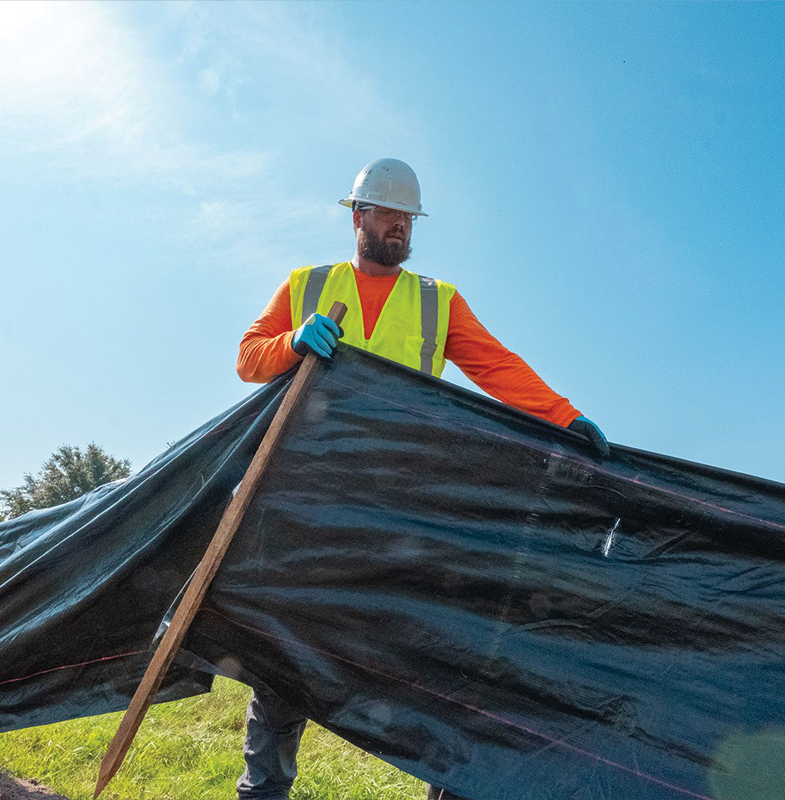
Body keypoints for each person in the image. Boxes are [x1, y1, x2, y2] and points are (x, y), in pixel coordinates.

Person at [235, 158, 609, 800]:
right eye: (388, 215)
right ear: (358, 216)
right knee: (283, 663)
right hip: (310, 500)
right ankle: (263, 792)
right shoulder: (307, 283)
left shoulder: (439, 300)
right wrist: (295, 339)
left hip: (401, 508)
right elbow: (249, 358)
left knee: (438, 658)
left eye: (408, 218)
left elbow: (496, 365)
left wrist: (563, 416)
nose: (401, 228)